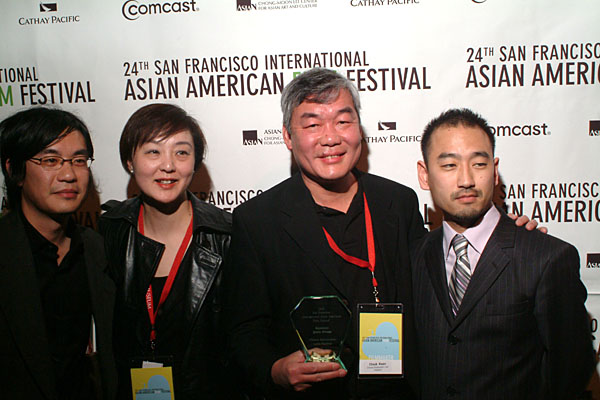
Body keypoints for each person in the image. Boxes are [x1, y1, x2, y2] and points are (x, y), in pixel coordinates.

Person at [224, 68, 426, 399]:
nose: (330, 138)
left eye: (343, 121)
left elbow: (434, 291)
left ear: (359, 129)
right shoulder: (257, 220)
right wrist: (275, 370)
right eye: (313, 125)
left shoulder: (398, 203)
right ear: (288, 137)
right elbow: (244, 330)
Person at [412, 108, 595, 399]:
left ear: (495, 171)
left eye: (479, 164)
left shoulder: (546, 258)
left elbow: (570, 372)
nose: (466, 179)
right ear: (425, 175)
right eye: (449, 165)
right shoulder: (415, 256)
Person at [98, 104, 234, 399]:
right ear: (129, 161)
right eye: (153, 151)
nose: (168, 165)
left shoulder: (227, 237)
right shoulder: (109, 231)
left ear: (195, 163)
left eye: (181, 152)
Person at [0, 107, 116, 400]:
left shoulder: (97, 250)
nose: (68, 174)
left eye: (79, 160)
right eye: (50, 160)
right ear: (14, 171)